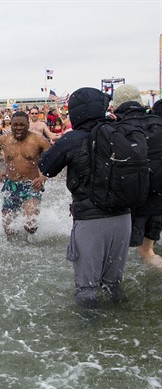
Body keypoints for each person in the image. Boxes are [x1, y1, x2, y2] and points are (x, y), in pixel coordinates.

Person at [38, 87, 130, 308]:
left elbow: (46, 166)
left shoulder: (72, 139)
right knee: (113, 284)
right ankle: (124, 330)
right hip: (124, 218)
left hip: (90, 220)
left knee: (86, 289)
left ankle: (88, 337)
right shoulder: (119, 131)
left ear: (76, 112)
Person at [112, 84, 162, 268]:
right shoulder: (158, 122)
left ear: (117, 104)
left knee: (119, 253)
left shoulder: (117, 128)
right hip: (159, 198)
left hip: (133, 201)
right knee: (147, 252)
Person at [0, 112, 50, 238]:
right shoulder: (4, 140)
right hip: (11, 185)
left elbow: (53, 158)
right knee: (7, 228)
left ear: (28, 125)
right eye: (15, 125)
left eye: (22, 125)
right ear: (11, 125)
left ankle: (32, 247)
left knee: (30, 225)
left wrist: (43, 177)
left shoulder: (38, 140)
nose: (18, 128)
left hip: (31, 184)